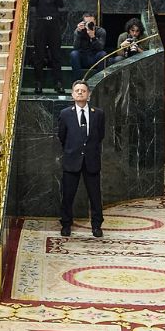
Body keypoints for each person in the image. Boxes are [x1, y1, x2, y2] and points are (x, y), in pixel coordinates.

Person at [57, 80, 106, 238]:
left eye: (83, 91)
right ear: (72, 94)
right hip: (72, 160)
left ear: (88, 94)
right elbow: (62, 136)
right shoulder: (65, 114)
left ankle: (97, 226)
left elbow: (100, 135)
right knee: (68, 195)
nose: (80, 93)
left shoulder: (98, 114)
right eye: (77, 90)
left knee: (95, 196)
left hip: (91, 161)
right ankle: (66, 224)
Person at [29, 0, 65, 94]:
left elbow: (61, 5)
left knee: (56, 55)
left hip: (54, 26)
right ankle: (38, 83)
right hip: (40, 26)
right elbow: (32, 3)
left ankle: (58, 83)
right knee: (39, 56)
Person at [70, 12, 108, 79]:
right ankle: (77, 81)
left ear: (95, 22)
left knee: (103, 54)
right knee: (74, 54)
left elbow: (101, 48)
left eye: (91, 23)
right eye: (87, 23)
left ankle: (98, 80)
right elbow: (75, 47)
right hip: (83, 57)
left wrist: (93, 37)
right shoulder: (79, 31)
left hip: (95, 57)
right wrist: (78, 33)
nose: (89, 24)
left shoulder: (101, 31)